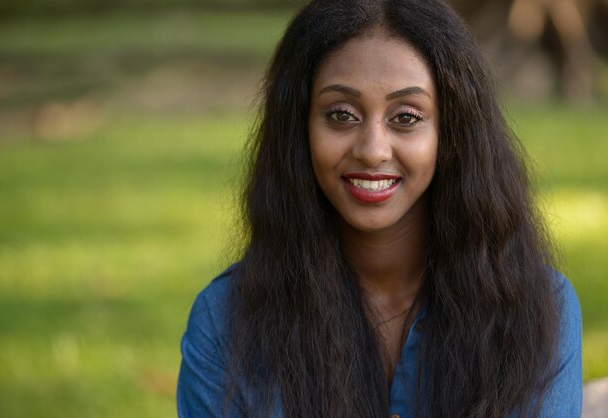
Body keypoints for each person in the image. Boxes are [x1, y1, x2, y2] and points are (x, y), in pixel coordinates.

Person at [177, 0, 583, 417]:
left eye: (406, 117)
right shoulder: (224, 323)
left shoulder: (541, 311)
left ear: (453, 133)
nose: (372, 150)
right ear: (300, 129)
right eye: (341, 114)